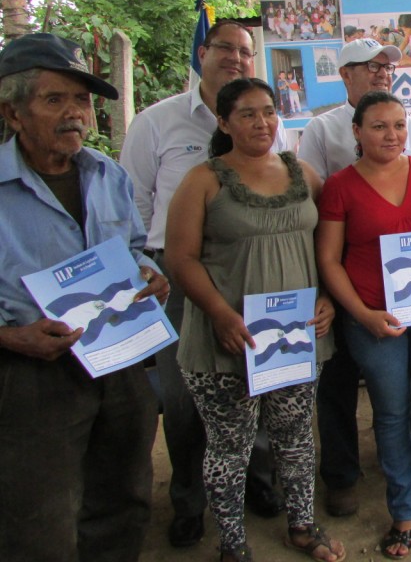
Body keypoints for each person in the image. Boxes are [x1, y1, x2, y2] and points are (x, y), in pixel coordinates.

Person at [0, 32, 170, 562]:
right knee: (38, 515)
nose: (75, 113)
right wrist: (11, 336)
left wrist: (149, 274)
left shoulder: (107, 175)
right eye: (55, 100)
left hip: (120, 362)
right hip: (34, 373)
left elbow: (136, 250)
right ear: (13, 113)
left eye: (81, 100)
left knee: (124, 496)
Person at [164, 78, 344, 562]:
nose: (261, 122)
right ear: (224, 122)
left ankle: (302, 527)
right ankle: (232, 544)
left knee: (295, 438)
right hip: (227, 339)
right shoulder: (204, 180)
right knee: (230, 448)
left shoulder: (303, 173)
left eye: (268, 111)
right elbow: (180, 259)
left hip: (295, 338)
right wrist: (221, 314)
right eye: (247, 114)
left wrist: (328, 295)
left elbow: (330, 246)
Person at [121, 20, 285, 547]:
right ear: (201, 52)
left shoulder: (267, 125)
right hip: (178, 280)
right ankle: (190, 500)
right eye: (225, 48)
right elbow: (133, 204)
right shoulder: (157, 122)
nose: (236, 57)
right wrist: (152, 259)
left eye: (245, 50)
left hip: (253, 273)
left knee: (257, 383)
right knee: (187, 396)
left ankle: (258, 484)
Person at [317, 91, 411, 559]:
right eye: (379, 126)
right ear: (357, 133)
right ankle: (403, 513)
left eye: (399, 124)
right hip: (375, 319)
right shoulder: (341, 185)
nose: (392, 134)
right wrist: (362, 316)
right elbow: (328, 260)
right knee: (393, 415)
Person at [298, 38, 411, 518]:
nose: (381, 72)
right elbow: (310, 205)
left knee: (406, 384)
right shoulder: (319, 129)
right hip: (342, 275)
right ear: (345, 74)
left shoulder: (410, 125)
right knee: (336, 384)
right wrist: (324, 287)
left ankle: (408, 468)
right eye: (370, 66)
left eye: (387, 67)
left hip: (406, 280)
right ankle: (341, 477)